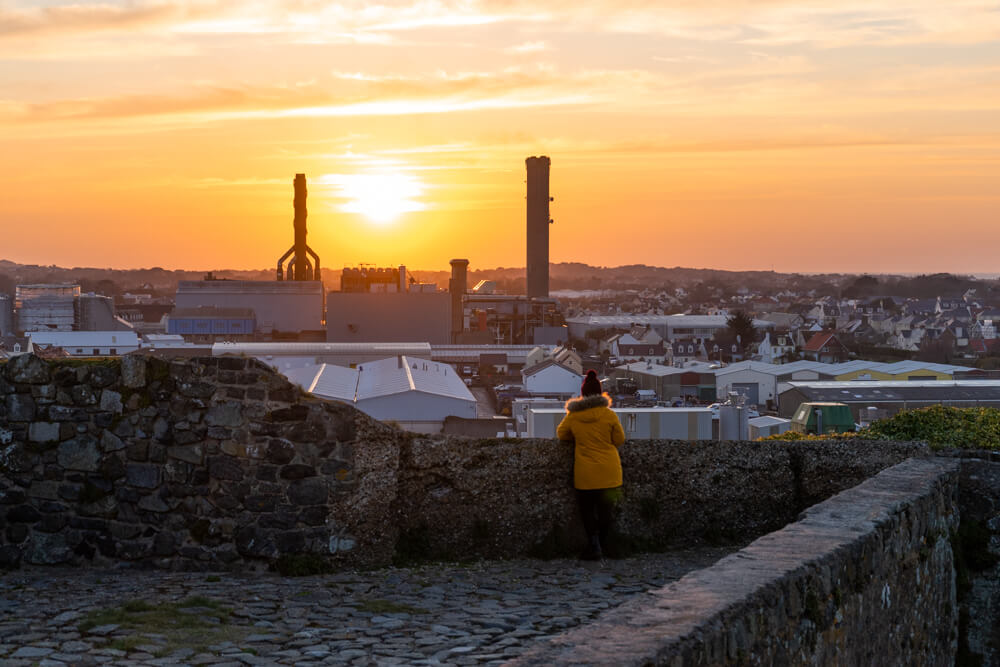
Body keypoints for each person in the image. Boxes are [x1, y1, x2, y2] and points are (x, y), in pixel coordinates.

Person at [556, 370, 626, 560]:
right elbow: (619, 439)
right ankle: (605, 545)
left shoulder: (574, 416)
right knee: (606, 511)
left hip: (586, 475)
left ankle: (593, 546)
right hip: (610, 474)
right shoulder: (609, 414)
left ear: (583, 394)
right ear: (600, 393)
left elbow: (562, 434)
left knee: (587, 511)